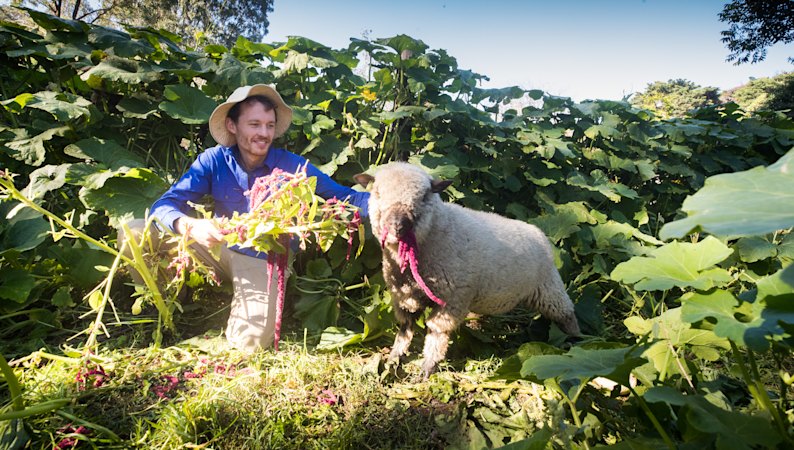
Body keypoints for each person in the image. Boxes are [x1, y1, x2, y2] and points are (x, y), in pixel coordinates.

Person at [120, 84, 370, 351]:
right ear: (232, 125)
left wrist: (389, 200)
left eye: (270, 125)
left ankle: (245, 314)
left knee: (251, 344)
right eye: (254, 124)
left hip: (262, 259)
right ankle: (170, 303)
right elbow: (163, 206)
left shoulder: (294, 167)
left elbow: (347, 198)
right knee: (133, 232)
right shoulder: (213, 161)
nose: (264, 133)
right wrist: (189, 225)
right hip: (216, 247)